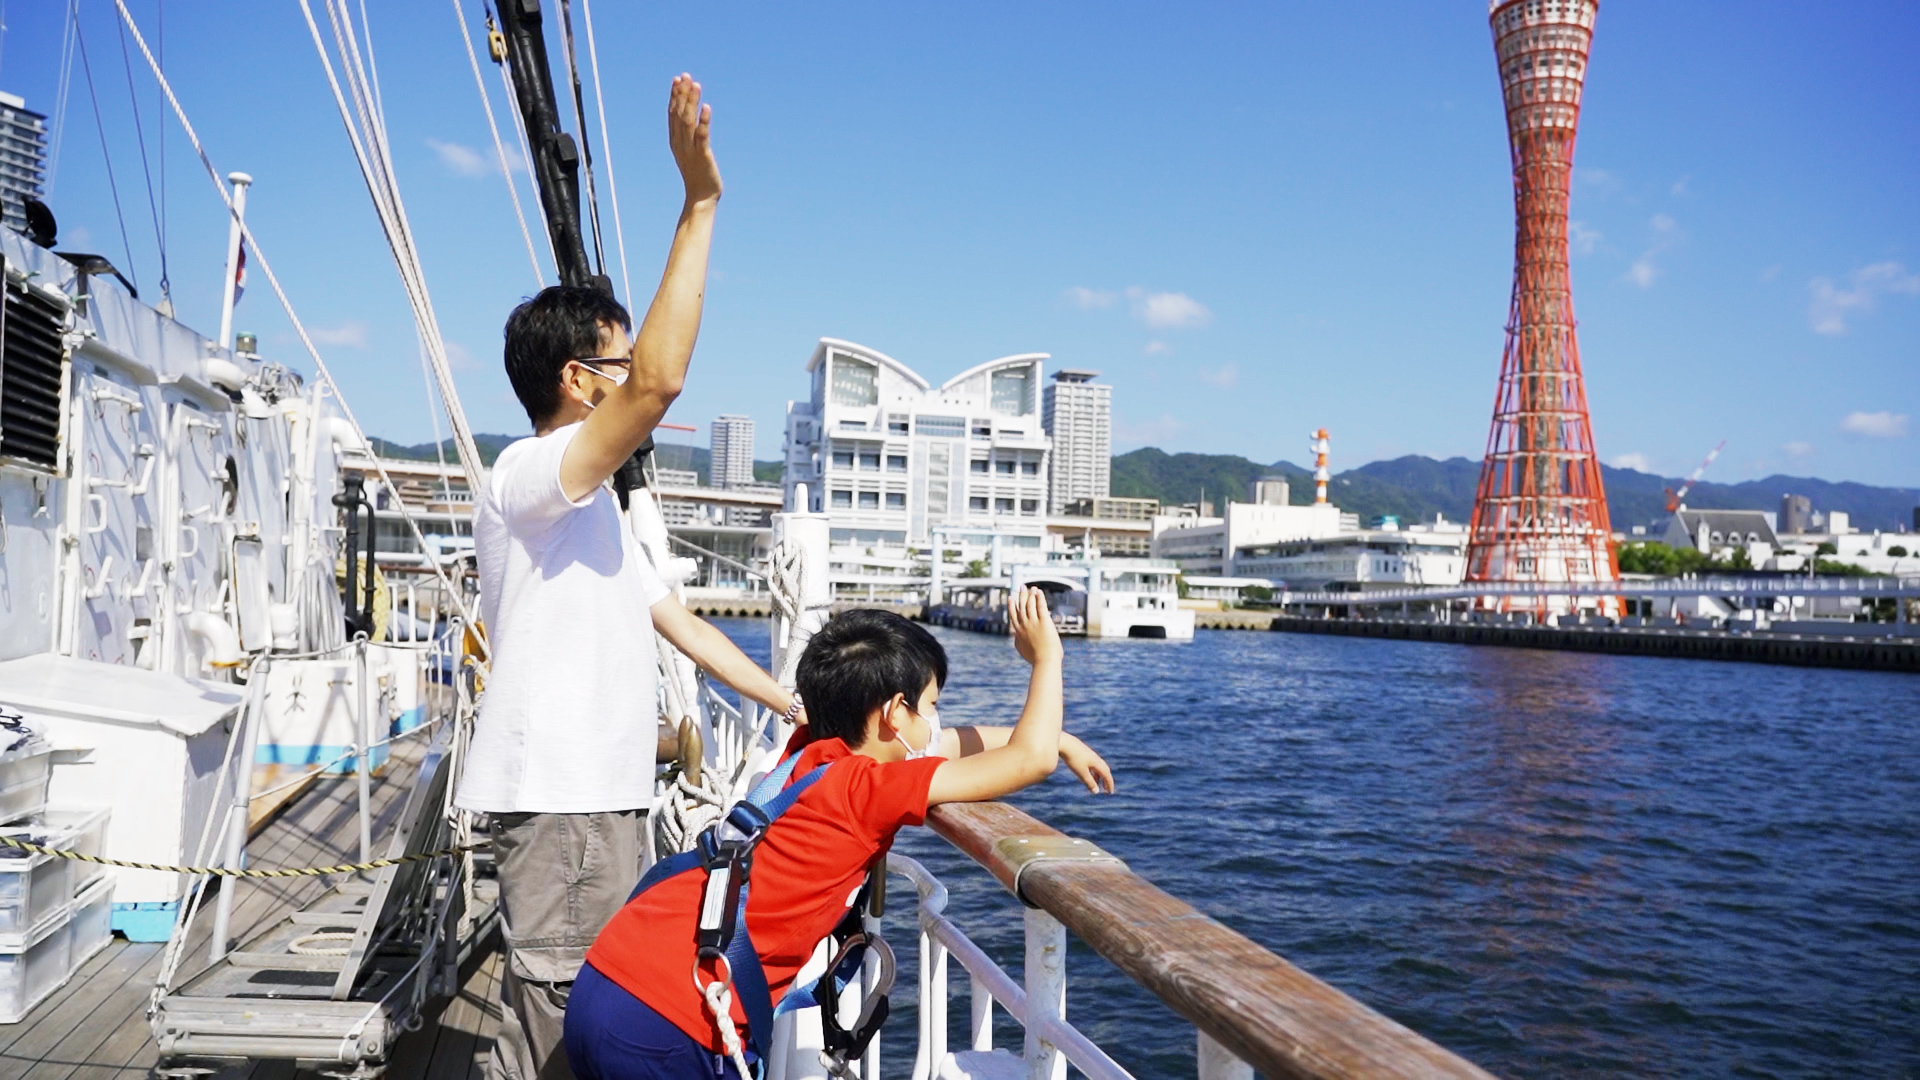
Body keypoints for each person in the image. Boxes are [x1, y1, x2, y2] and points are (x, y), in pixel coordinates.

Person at [455, 75, 802, 1080]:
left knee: (600, 1010)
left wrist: (787, 699)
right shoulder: (529, 477)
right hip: (561, 797)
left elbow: (675, 621)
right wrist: (700, 206)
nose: (631, 376)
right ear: (577, 379)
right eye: (613, 364)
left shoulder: (594, 508)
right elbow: (659, 380)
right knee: (567, 1023)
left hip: (599, 796)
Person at [563, 590, 1116, 1080]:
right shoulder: (866, 789)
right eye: (931, 706)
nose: (936, 722)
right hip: (672, 1022)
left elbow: (949, 745)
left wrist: (1062, 736)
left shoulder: (810, 752)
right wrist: (1048, 659)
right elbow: (1029, 759)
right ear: (896, 714)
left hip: (609, 979)